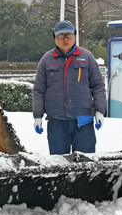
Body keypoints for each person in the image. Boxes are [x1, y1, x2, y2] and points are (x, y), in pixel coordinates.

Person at [32, 20, 107, 155]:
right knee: (59, 165)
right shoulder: (46, 60)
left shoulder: (86, 57)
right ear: (54, 37)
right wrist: (37, 115)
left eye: (69, 35)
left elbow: (98, 86)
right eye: (61, 36)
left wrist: (100, 111)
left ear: (75, 35)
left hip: (82, 122)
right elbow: (39, 90)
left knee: (85, 164)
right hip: (57, 122)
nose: (65, 39)